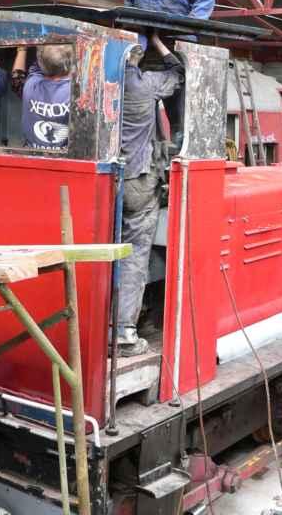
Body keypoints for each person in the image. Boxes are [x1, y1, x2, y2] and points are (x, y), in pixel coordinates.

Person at [117, 33, 185, 356]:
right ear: (136, 56)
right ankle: (123, 333)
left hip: (103, 181)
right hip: (137, 181)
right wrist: (157, 43)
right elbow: (179, 72)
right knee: (134, 256)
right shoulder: (142, 84)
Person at [12, 44, 72, 151]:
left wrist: (22, 49)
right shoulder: (75, 91)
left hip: (32, 154)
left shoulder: (31, 85)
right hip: (66, 156)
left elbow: (17, 78)